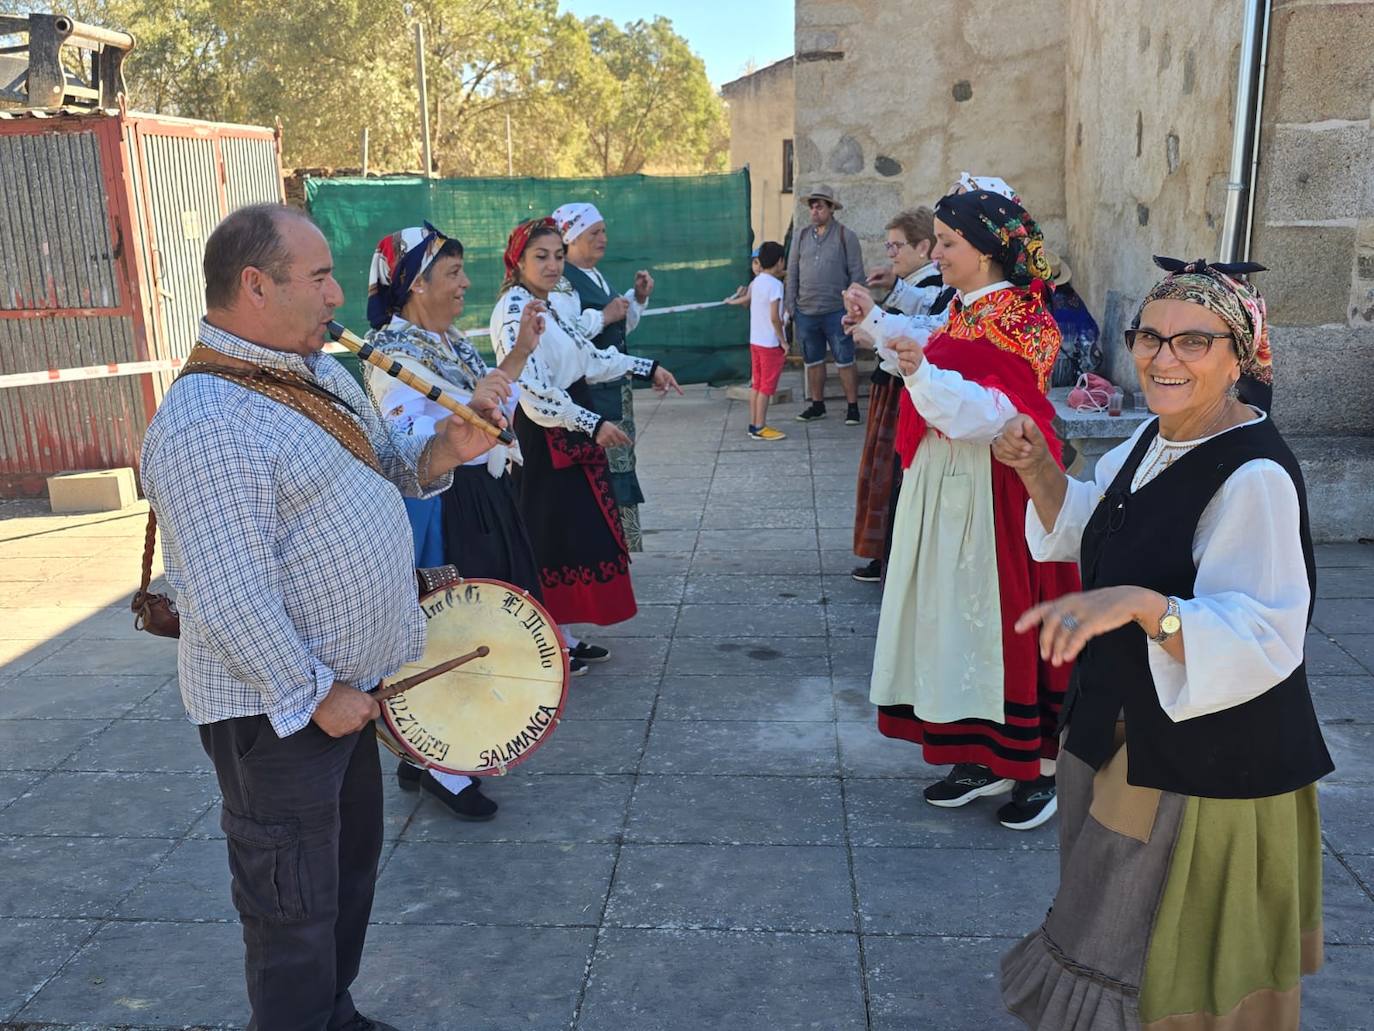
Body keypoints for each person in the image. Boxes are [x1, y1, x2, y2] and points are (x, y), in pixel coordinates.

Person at [140, 203, 503, 1031]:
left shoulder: (318, 372)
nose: (341, 294)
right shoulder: (206, 422)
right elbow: (228, 594)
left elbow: (390, 468)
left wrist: (448, 446)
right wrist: (313, 692)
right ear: (255, 285)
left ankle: (331, 1015)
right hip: (282, 712)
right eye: (320, 278)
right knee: (291, 908)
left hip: (345, 697)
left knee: (344, 881)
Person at [996, 257, 1332, 1029]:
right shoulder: (1155, 437)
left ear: (1237, 357)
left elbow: (1265, 632)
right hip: (1119, 725)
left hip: (1200, 760)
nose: (1162, 357)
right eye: (1150, 336)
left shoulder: (1255, 476)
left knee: (1149, 943)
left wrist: (1145, 606)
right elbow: (1093, 522)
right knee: (1102, 917)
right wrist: (1039, 464)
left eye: (1192, 341)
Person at [865, 189, 1080, 831]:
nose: (937, 253)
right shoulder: (963, 306)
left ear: (986, 251)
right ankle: (977, 753)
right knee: (954, 618)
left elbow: (996, 415)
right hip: (948, 484)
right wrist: (885, 335)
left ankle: (1038, 767)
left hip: (999, 487)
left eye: (947, 243)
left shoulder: (1024, 318)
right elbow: (928, 350)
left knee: (1005, 616)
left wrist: (920, 375)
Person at [362, 221, 558, 819]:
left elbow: (485, 403)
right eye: (452, 274)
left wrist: (520, 352)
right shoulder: (394, 357)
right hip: (442, 506)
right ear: (416, 285)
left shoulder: (444, 343)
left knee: (478, 620)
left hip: (479, 497)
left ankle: (418, 749)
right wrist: (463, 420)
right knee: (450, 629)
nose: (466, 284)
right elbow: (404, 442)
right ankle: (440, 765)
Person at [490, 217, 681, 637]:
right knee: (552, 536)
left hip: (570, 427)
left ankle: (562, 636)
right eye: (541, 256)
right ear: (517, 260)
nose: (553, 265)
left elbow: (588, 359)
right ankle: (546, 636)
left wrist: (648, 368)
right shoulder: (514, 310)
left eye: (558, 256)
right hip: (545, 437)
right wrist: (591, 424)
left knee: (573, 536)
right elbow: (532, 390)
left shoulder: (549, 304)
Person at [845, 207, 946, 582]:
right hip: (890, 384)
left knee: (893, 476)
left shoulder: (934, 284)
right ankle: (883, 556)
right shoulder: (920, 283)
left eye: (896, 246)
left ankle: (890, 557)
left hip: (906, 387)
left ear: (923, 247)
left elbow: (928, 328)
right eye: (888, 246)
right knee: (882, 476)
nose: (891, 253)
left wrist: (873, 324)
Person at [549, 201, 655, 552]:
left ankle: (619, 547)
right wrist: (604, 316)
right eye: (593, 233)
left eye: (603, 231)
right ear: (572, 239)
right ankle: (604, 546)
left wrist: (635, 300)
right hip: (593, 395)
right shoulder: (563, 284)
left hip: (615, 388)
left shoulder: (594, 276)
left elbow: (616, 327)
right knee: (603, 471)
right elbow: (567, 335)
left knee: (621, 464)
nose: (602, 238)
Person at [784, 184, 865, 425]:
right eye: (812, 205)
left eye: (819, 205)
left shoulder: (845, 236)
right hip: (806, 311)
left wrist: (855, 307)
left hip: (836, 312)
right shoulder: (800, 236)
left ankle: (852, 407)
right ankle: (817, 405)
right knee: (813, 361)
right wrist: (791, 305)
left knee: (845, 359)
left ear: (831, 208)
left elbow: (857, 274)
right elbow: (792, 271)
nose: (815, 209)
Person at [744, 240, 789, 440]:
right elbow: (774, 317)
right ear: (780, 261)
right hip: (770, 344)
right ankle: (761, 427)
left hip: (755, 341)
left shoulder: (757, 281)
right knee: (766, 387)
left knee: (757, 384)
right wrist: (784, 341)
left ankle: (753, 424)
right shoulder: (776, 285)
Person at [1043, 250, 1103, 388]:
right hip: (1067, 378)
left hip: (1034, 379)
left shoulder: (1028, 303)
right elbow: (1089, 344)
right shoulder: (1073, 302)